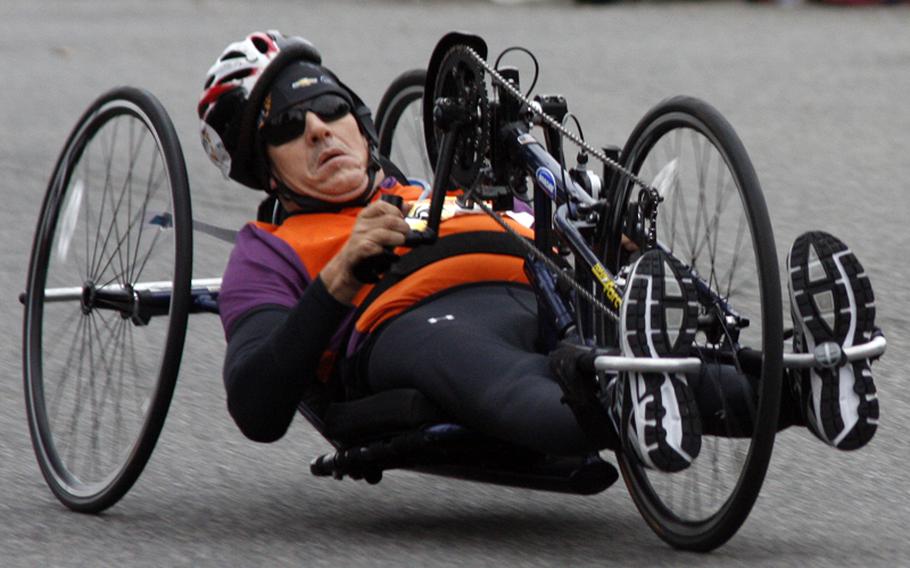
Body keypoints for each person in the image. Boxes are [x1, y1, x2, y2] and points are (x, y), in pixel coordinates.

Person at [198, 31, 880, 473]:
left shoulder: (440, 189)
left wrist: (612, 236)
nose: (319, 131)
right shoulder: (269, 251)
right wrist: (341, 276)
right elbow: (256, 406)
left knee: (662, 359)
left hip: (544, 285)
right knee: (527, 380)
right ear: (265, 165)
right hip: (413, 321)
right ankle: (622, 398)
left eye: (328, 108)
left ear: (362, 119)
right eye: (290, 125)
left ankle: (808, 383)